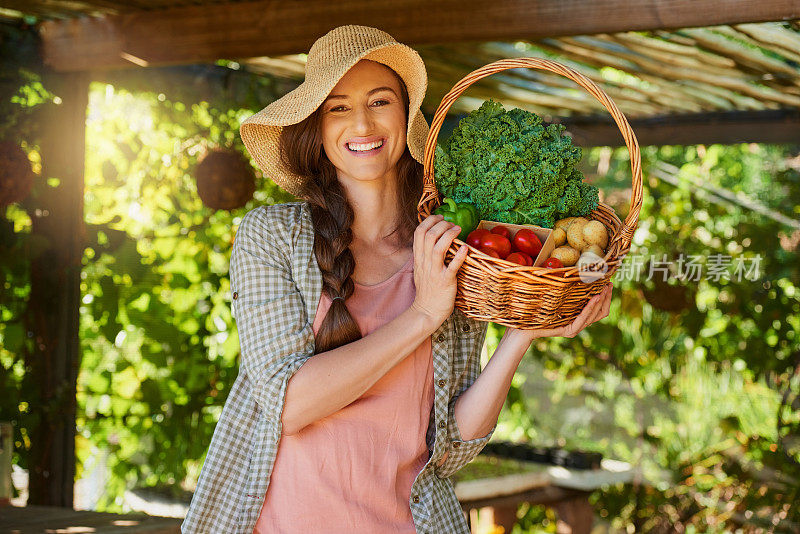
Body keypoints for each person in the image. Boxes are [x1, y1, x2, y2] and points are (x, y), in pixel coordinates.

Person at [180, 25, 612, 534]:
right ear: (316, 128)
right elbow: (290, 406)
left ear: (407, 118)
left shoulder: (450, 249)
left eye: (379, 101)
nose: (361, 122)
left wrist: (522, 334)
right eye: (338, 107)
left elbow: (453, 448)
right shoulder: (272, 237)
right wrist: (424, 314)